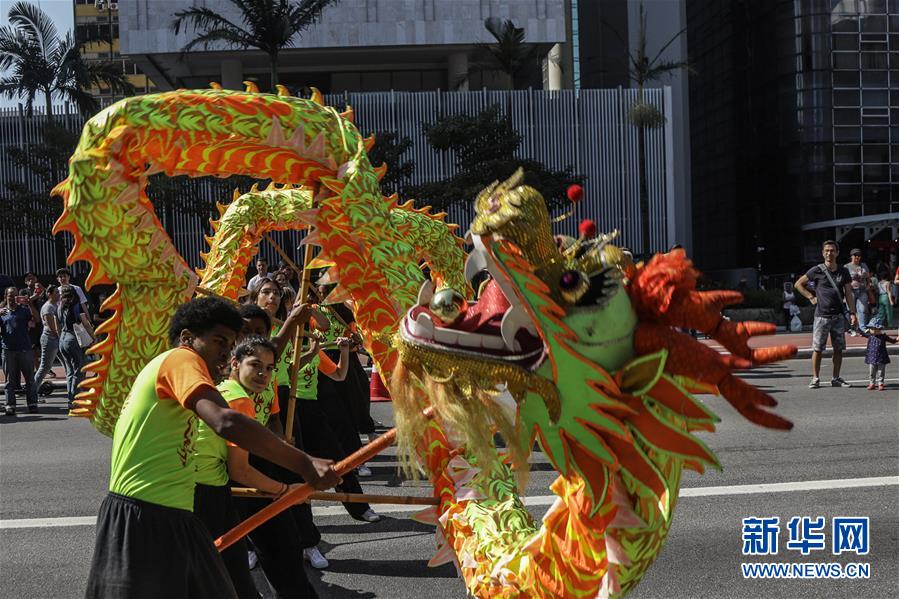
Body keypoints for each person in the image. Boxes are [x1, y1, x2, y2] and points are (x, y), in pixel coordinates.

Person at [84, 297, 341, 599]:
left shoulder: (189, 374)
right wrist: (305, 464)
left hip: (176, 514)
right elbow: (226, 421)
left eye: (230, 343)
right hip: (145, 516)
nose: (225, 351)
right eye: (219, 341)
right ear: (187, 338)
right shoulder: (181, 359)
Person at [794, 240, 857, 389]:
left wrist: (853, 313)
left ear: (837, 253)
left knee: (838, 348)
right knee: (818, 348)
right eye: (827, 250)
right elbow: (798, 284)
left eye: (832, 250)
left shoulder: (843, 271)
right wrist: (811, 297)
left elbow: (848, 293)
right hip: (821, 316)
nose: (830, 253)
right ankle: (815, 378)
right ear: (823, 253)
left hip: (839, 315)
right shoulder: (817, 270)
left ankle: (836, 378)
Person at [1, 286, 40, 414]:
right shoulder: (2, 313)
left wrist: (30, 304)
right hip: (8, 350)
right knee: (9, 381)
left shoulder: (24, 310)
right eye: (10, 295)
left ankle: (32, 403)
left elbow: (37, 319)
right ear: (6, 297)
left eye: (15, 295)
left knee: (29, 379)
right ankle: (10, 405)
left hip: (25, 349)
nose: (12, 298)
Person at [57, 285, 94, 409]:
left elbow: (57, 324)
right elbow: (85, 324)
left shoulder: (60, 307)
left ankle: (70, 399)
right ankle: (75, 399)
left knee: (70, 371)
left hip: (63, 338)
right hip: (73, 338)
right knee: (79, 369)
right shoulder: (76, 306)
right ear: (74, 295)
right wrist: (93, 337)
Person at [33, 285, 60, 393]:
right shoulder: (48, 307)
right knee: (45, 367)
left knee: (68, 364)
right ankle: (33, 392)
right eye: (56, 292)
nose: (59, 294)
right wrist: (60, 337)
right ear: (49, 294)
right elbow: (51, 327)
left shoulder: (56, 305)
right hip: (50, 339)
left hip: (57, 338)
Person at [860, 315, 896, 391]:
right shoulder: (870, 336)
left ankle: (880, 383)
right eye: (870, 328)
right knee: (872, 372)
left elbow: (892, 341)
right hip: (871, 357)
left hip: (881, 357)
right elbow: (862, 333)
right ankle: (872, 383)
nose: (870, 330)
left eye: (872, 328)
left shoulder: (883, 336)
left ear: (878, 329)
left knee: (881, 372)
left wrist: (897, 339)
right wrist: (856, 327)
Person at [844, 248, 872, 335]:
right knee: (850, 310)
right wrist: (844, 292)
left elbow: (868, 277)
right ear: (851, 257)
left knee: (863, 309)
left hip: (862, 290)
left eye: (859, 256)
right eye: (855, 255)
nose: (857, 257)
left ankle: (862, 327)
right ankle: (851, 328)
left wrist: (868, 286)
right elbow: (843, 281)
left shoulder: (864, 265)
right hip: (850, 291)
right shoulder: (846, 267)